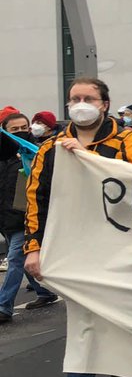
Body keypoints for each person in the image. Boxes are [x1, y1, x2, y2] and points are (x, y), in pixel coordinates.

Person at [26, 78, 132, 377]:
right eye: (74, 98)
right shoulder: (50, 148)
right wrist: (33, 248)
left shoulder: (125, 139)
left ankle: (125, 369)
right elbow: (37, 199)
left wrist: (89, 159)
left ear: (104, 103)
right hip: (72, 245)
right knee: (82, 315)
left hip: (115, 243)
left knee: (117, 311)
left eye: (88, 98)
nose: (81, 103)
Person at [0, 113, 59, 323]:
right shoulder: (4, 156)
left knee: (16, 259)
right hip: (5, 219)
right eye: (14, 130)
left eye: (24, 127)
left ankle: (3, 306)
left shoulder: (36, 154)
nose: (21, 132)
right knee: (24, 261)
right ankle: (44, 291)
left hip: (25, 219)